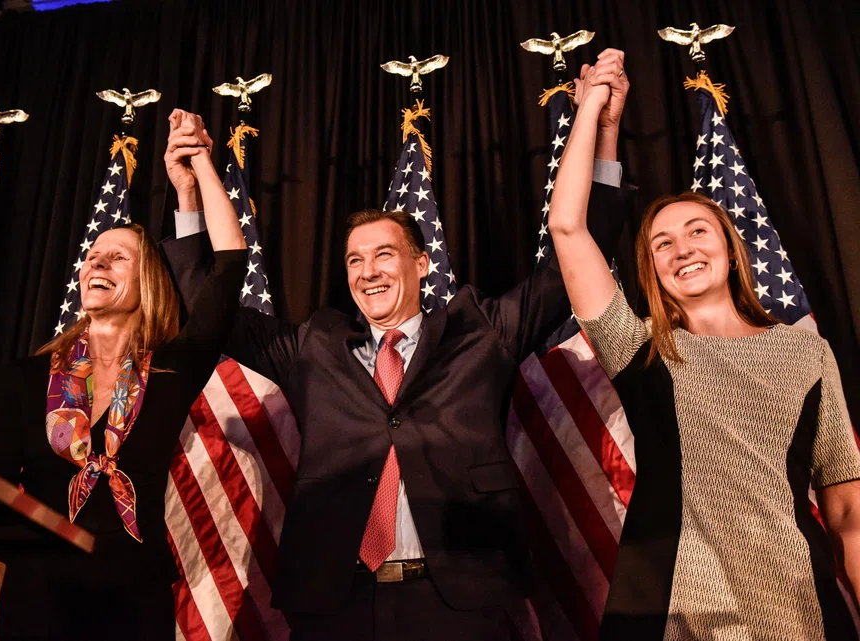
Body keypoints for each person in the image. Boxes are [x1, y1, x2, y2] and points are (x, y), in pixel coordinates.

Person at [161, 51, 632, 641]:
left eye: (384, 254)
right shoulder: (313, 347)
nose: (368, 271)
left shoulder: (480, 330)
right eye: (355, 260)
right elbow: (213, 310)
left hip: (462, 605)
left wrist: (604, 132)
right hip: (336, 606)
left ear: (422, 264)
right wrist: (191, 190)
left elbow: (575, 263)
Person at [548, 51, 860, 640]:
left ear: (731, 250)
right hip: (673, 613)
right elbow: (568, 227)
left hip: (801, 612)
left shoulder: (806, 353)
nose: (683, 248)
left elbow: (847, 510)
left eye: (697, 231)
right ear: (651, 268)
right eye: (662, 243)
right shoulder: (637, 346)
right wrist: (593, 110)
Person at [0, 110, 247, 641]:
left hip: (133, 610)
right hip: (35, 608)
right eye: (93, 256)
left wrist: (198, 167)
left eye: (117, 259)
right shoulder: (25, 378)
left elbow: (229, 265)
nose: (96, 263)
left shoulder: (171, 371)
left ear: (149, 282)